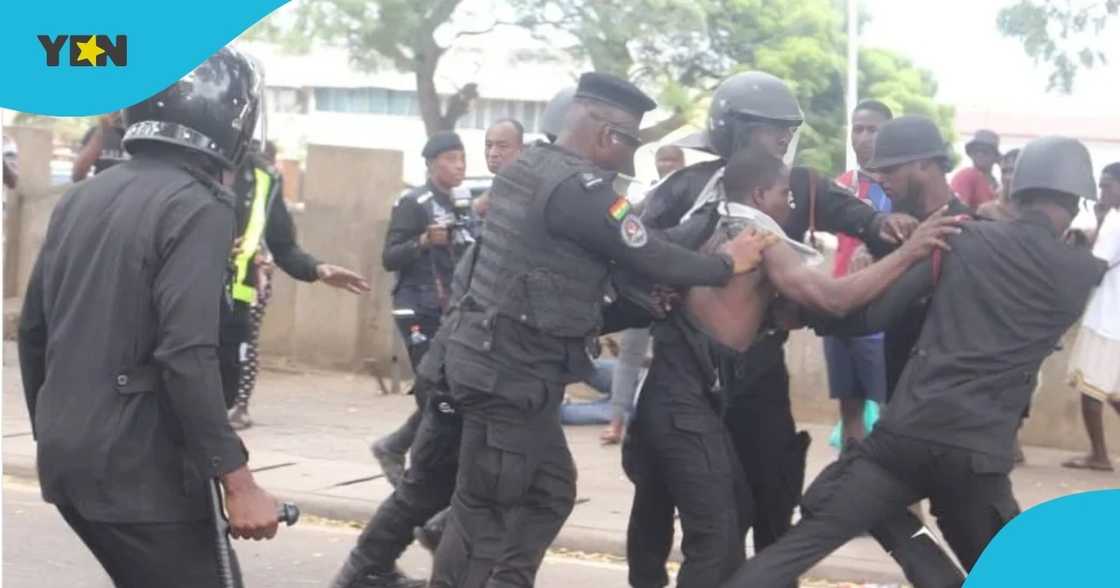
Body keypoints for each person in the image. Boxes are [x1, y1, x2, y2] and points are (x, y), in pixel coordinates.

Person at [428, 72, 774, 588]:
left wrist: (641, 301)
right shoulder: (581, 189)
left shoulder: (527, 168)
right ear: (607, 134)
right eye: (631, 143)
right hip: (511, 376)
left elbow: (564, 280)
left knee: (548, 492)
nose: (631, 160)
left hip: (501, 365)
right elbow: (648, 252)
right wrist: (727, 261)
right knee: (485, 511)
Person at [723, 136, 1106, 587]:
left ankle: (916, 550)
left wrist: (795, 312)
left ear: (1016, 192)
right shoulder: (1085, 274)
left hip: (905, 438)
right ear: (1078, 201)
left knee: (806, 535)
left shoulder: (962, 238)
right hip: (979, 456)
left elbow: (873, 316)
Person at [624, 147, 960, 588]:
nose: (793, 203)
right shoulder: (758, 235)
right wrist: (911, 254)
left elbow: (787, 311)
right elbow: (832, 300)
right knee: (718, 532)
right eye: (785, 193)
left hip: (683, 392)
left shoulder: (715, 220)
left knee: (728, 509)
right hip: (682, 396)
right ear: (762, 194)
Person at [17, 47, 282, 588]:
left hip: (70, 460)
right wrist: (238, 480)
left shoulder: (83, 197)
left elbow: (33, 332)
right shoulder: (199, 205)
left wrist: (58, 430)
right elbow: (186, 353)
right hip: (141, 475)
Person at [223, 139, 371, 428]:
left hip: (235, 304)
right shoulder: (182, 164)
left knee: (223, 391)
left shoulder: (264, 178)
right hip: (186, 300)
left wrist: (317, 269)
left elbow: (283, 246)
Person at [372, 131, 474, 488]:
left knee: (445, 391)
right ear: (431, 164)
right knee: (433, 390)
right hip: (417, 307)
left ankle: (395, 447)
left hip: (450, 310)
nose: (459, 165)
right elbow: (389, 256)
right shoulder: (414, 202)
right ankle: (421, 470)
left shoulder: (462, 204)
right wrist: (423, 241)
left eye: (462, 158)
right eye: (450, 159)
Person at [825, 99, 894, 447]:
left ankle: (901, 499)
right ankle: (847, 483)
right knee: (849, 406)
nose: (864, 137)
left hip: (881, 311)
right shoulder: (840, 185)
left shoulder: (899, 186)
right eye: (858, 128)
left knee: (888, 410)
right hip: (839, 306)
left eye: (873, 129)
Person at [1063, 161, 1120, 471]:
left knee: (1091, 389)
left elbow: (1095, 269)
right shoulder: (1110, 218)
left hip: (1106, 319)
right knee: (1109, 391)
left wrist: (1077, 246)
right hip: (1111, 317)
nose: (1102, 192)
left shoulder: (1115, 221)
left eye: (1107, 185)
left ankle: (1099, 456)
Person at [951, 129, 1002, 210]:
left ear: (995, 156)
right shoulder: (966, 175)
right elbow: (957, 211)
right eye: (976, 151)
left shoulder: (997, 184)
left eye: (985, 151)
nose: (979, 154)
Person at [71, 111, 129, 181]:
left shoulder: (138, 131)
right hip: (104, 189)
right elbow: (78, 174)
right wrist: (102, 130)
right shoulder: (98, 132)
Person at [977, 148, 1021, 221]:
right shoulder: (987, 211)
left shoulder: (1034, 212)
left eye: (1012, 171)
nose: (1007, 177)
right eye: (1004, 171)